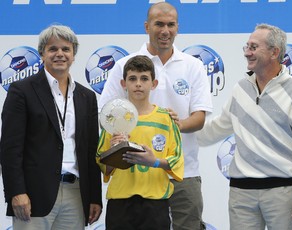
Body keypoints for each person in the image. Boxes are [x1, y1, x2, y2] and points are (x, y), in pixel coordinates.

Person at [98, 3, 212, 229]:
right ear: (146, 26)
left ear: (178, 28)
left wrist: (173, 124)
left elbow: (199, 117)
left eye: (171, 25)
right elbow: (107, 115)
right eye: (159, 24)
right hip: (135, 177)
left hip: (184, 172)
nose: (165, 30)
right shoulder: (124, 65)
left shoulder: (194, 65)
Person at [197, 23, 292, 230]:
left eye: (253, 47)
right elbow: (215, 129)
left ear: (274, 52)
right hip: (241, 194)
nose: (247, 52)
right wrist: (176, 128)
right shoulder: (240, 88)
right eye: (247, 46)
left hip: (284, 192)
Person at [0, 25, 102, 230]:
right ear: (42, 54)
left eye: (66, 49)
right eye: (52, 49)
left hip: (75, 193)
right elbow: (10, 148)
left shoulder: (86, 96)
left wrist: (94, 197)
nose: (60, 54)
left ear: (73, 55)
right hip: (32, 194)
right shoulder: (22, 91)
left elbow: (91, 151)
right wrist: (16, 192)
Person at [96, 55, 184, 230]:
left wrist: (154, 161)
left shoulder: (165, 118)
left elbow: (177, 160)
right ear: (123, 84)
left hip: (155, 203)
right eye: (132, 79)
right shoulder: (113, 118)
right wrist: (115, 152)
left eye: (144, 78)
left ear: (154, 84)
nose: (138, 84)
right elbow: (103, 165)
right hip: (120, 203)